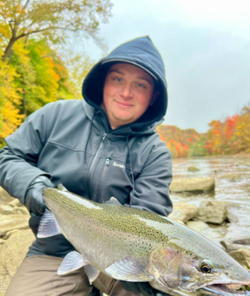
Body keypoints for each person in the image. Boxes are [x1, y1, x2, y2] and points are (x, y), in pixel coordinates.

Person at [0, 36, 172, 296]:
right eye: (117, 79)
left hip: (119, 259)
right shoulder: (54, 116)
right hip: (54, 252)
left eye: (140, 85)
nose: (126, 93)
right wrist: (33, 185)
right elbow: (7, 156)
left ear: (154, 95)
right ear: (103, 81)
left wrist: (144, 268)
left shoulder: (155, 153)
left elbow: (148, 218)